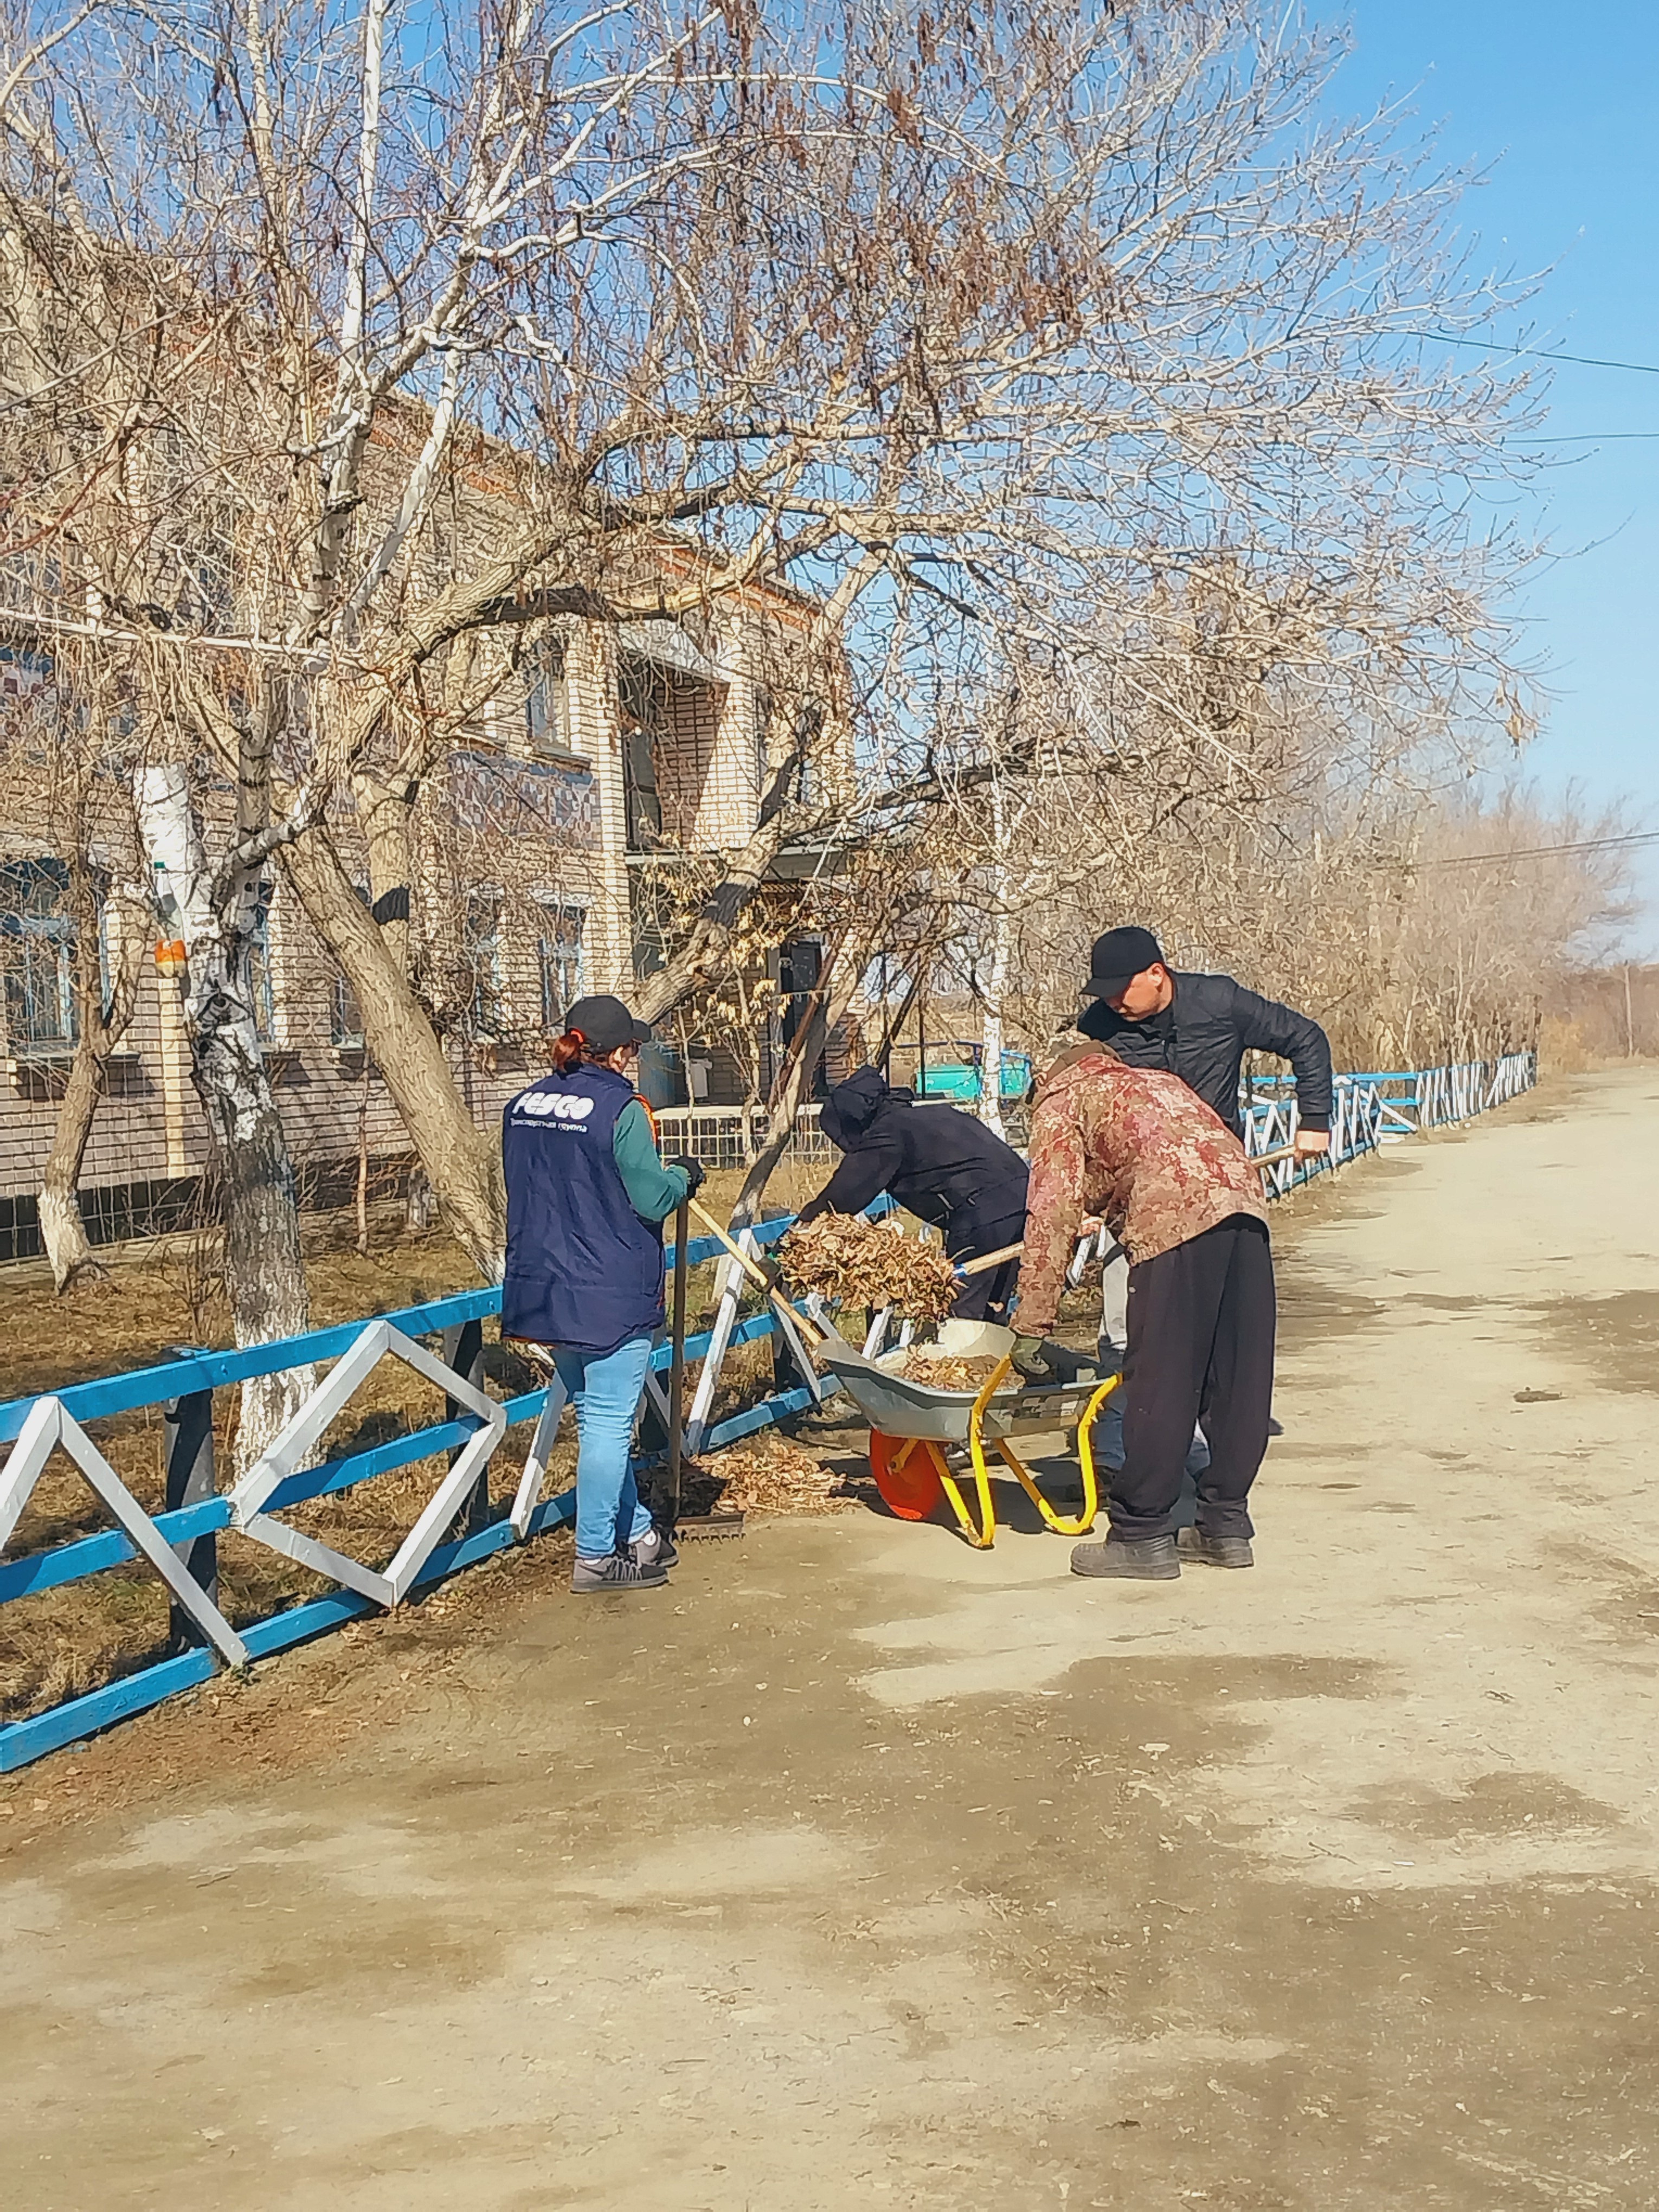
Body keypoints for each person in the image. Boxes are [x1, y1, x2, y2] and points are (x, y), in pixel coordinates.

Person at [1012, 1032, 1275, 1581]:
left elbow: (1050, 1210)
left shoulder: (1063, 1100)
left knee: (1163, 1378)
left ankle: (1141, 1534)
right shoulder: (1158, 1082)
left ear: (1046, 1078)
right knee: (1235, 1377)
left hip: (1172, 1219)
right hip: (1246, 1209)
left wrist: (1032, 1320)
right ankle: (1225, 1524)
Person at [501, 994, 705, 1594]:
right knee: (612, 1424)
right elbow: (651, 1198)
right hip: (610, 1289)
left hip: (544, 1286)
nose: (634, 1058)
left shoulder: (523, 1105)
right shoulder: (622, 1110)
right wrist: (684, 1177)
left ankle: (638, 1533)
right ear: (618, 1053)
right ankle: (594, 1556)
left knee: (597, 1419)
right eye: (633, 1048)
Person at [1077, 925, 1331, 1366]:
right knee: (1127, 1326)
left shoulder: (1219, 1002)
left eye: (1122, 990)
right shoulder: (1097, 1027)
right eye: (1105, 994)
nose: (1114, 1003)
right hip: (1138, 1196)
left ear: (1156, 973)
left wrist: (1314, 1120)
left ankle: (1211, 1416)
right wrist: (1083, 1195)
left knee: (1218, 1323)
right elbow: (1082, 1107)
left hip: (1218, 1189)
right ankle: (1125, 1423)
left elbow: (1306, 1038)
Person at [795, 1066, 1028, 1322]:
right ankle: (999, 1357)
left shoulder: (889, 1133)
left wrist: (801, 1229)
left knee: (965, 1311)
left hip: (984, 1214)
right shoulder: (934, 1115)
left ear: (854, 1121)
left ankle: (971, 1359)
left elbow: (845, 1194)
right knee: (993, 1303)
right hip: (1022, 1201)